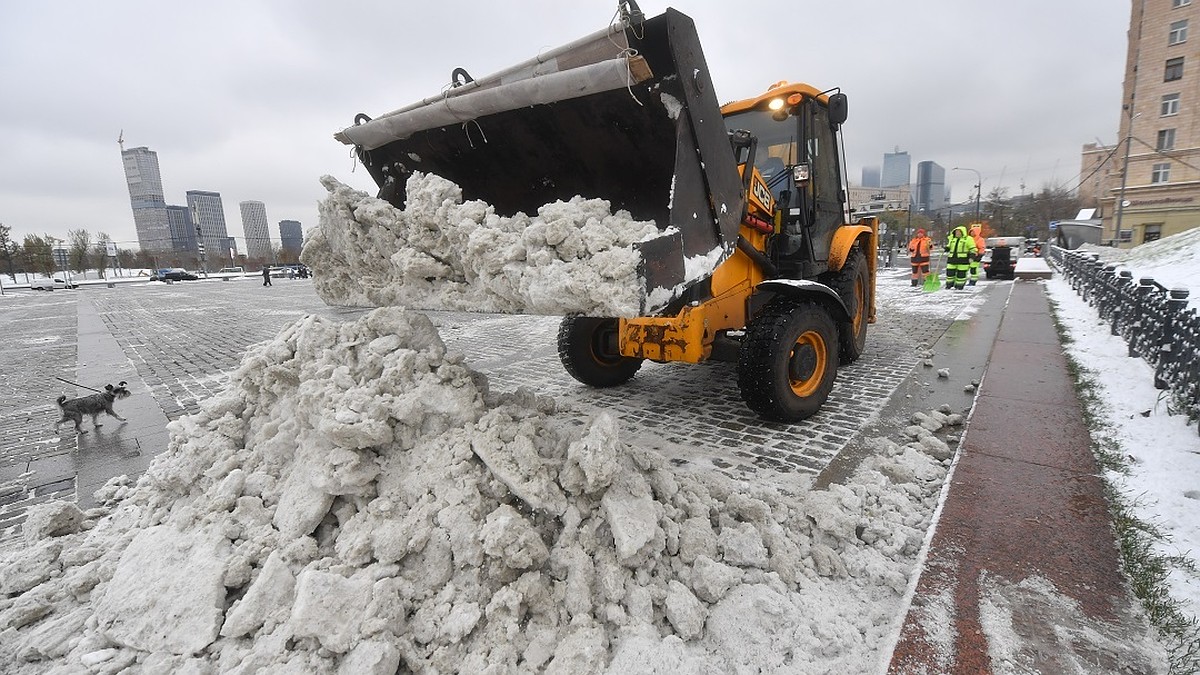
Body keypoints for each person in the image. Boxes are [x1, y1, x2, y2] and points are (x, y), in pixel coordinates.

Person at [945, 225, 979, 290]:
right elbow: (949, 246)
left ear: (963, 232)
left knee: (961, 274)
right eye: (956, 232)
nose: (957, 233)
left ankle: (959, 285)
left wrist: (972, 257)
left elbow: (973, 249)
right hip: (952, 259)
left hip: (963, 260)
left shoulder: (968, 239)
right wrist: (947, 248)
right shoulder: (952, 239)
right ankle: (949, 285)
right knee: (949, 273)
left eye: (959, 232)